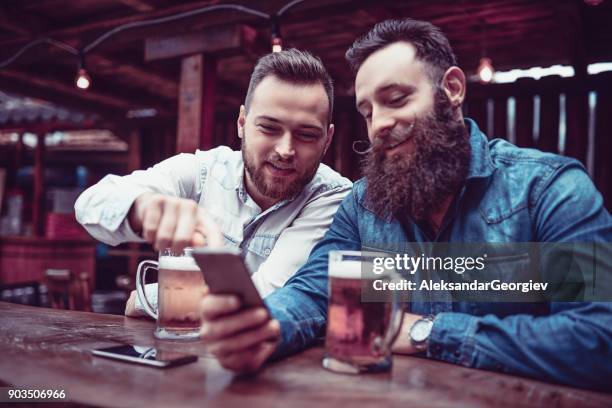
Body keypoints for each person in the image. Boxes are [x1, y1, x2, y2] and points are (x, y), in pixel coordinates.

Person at [198, 19, 612, 390]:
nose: (379, 123)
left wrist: (426, 334)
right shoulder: (362, 205)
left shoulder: (549, 190)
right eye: (367, 110)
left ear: (451, 89)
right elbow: (314, 293)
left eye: (395, 99)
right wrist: (266, 327)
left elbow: (599, 338)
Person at [75, 49, 352, 314]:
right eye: (269, 127)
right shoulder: (205, 170)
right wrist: (143, 209)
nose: (285, 149)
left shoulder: (332, 197)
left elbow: (267, 298)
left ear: (327, 140)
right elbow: (89, 206)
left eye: (306, 135)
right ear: (242, 123)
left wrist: (152, 298)